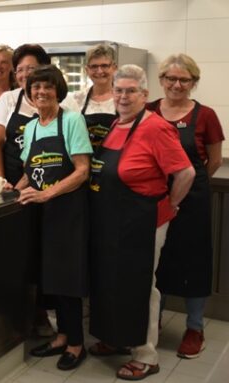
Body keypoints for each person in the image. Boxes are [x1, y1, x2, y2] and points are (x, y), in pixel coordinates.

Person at [88, 64, 194, 381]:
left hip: (143, 220)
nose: (123, 96)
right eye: (119, 90)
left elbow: (186, 173)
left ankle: (146, 354)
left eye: (131, 90)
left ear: (145, 95)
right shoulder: (116, 125)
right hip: (110, 220)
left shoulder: (155, 127)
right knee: (110, 280)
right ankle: (116, 338)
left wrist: (171, 205)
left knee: (140, 287)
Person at [14, 65, 92, 371]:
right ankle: (62, 336)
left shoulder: (72, 120)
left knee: (68, 280)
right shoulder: (32, 127)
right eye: (35, 88)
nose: (41, 92)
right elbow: (28, 171)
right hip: (41, 216)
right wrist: (11, 188)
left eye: (47, 87)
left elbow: (82, 170)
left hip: (68, 212)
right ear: (29, 94)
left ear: (57, 90)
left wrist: (47, 194)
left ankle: (76, 344)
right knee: (50, 279)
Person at [148, 54, 224, 359]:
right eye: (171, 78)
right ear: (162, 80)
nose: (177, 84)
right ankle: (154, 321)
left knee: (194, 261)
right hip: (153, 198)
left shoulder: (206, 116)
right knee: (156, 260)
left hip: (193, 201)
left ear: (194, 82)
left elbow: (214, 160)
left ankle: (195, 328)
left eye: (184, 79)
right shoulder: (149, 110)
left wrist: (189, 186)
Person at [0, 44, 78, 188]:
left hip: (60, 186)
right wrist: (2, 182)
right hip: (16, 182)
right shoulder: (9, 99)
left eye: (31, 69)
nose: (25, 75)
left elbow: (80, 164)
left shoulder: (69, 107)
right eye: (20, 70)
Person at [71, 44, 118, 153]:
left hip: (113, 165)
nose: (100, 71)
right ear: (87, 70)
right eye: (94, 66)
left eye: (105, 66)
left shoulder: (123, 99)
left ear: (114, 68)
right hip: (84, 162)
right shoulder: (76, 99)